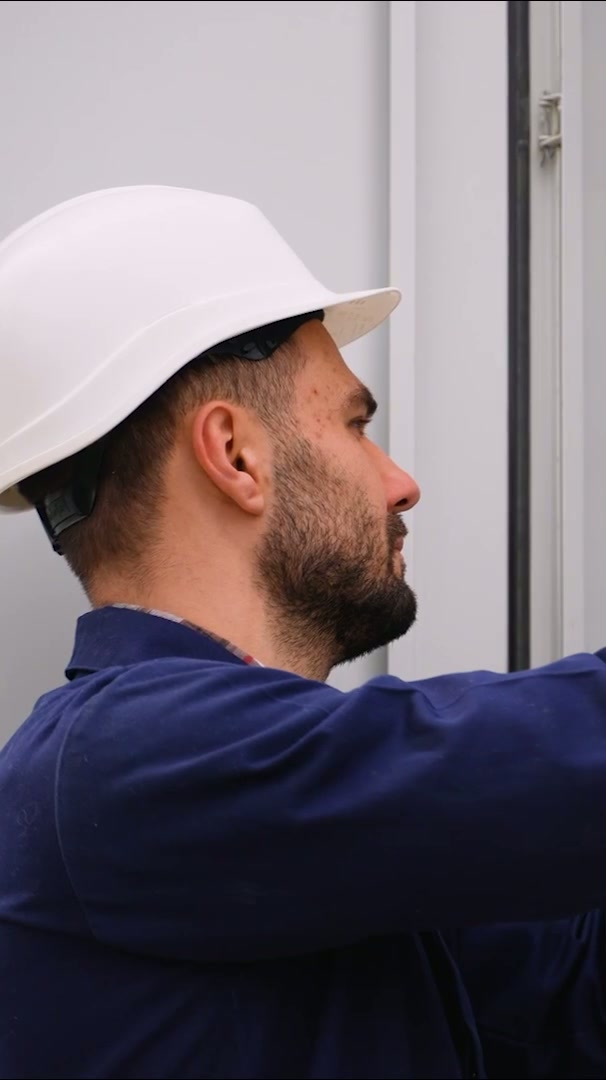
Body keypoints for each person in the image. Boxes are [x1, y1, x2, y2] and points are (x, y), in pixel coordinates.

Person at [0, 185, 604, 1080]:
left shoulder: (283, 840)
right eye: (356, 426)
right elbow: (564, 764)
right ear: (235, 455)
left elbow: (559, 997)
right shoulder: (127, 761)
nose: (400, 482)